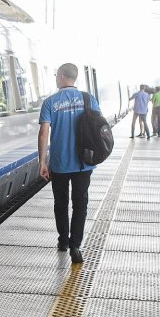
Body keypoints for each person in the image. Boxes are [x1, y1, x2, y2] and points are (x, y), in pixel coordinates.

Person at [39, 63, 101, 265]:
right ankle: (76, 245)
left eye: (57, 75)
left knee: (61, 203)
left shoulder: (50, 102)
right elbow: (99, 127)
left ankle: (63, 241)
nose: (56, 78)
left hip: (59, 162)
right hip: (84, 161)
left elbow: (44, 132)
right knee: (80, 202)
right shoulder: (88, 99)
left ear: (63, 76)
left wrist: (42, 161)